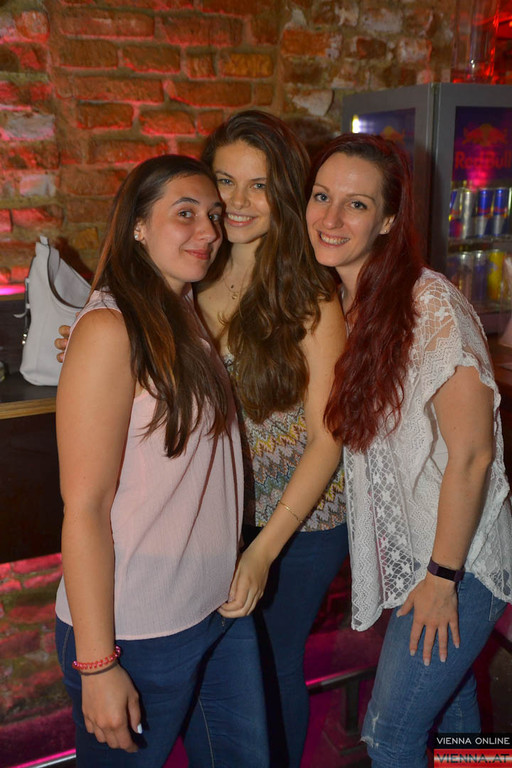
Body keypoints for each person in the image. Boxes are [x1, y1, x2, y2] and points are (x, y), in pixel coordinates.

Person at [54, 154, 269, 768]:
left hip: (216, 607)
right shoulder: (109, 329)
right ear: (138, 227)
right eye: (185, 214)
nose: (208, 231)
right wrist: (98, 664)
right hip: (138, 628)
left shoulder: (181, 309)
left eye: (214, 215)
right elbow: (85, 508)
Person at [305, 132, 512, 767]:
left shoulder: (430, 304)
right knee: (451, 706)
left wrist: (441, 579)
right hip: (416, 555)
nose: (331, 218)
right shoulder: (344, 302)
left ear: (390, 220)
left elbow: (473, 455)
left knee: (390, 733)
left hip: (459, 560)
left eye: (357, 204)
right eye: (321, 196)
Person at [196, 111, 348, 768]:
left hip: (303, 521)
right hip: (218, 513)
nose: (238, 201)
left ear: (283, 192)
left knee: (270, 660)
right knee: (221, 661)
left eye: (258, 185)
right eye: (224, 180)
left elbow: (329, 439)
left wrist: (262, 551)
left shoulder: (309, 295)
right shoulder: (190, 274)